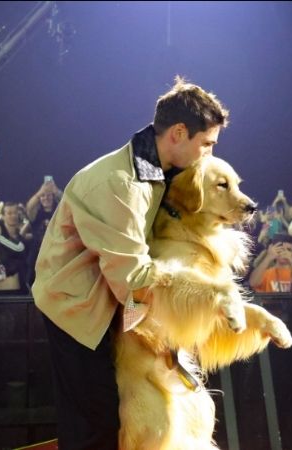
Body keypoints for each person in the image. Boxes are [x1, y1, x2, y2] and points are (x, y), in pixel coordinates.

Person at [32, 77, 229, 449]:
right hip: (76, 308)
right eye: (206, 144)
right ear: (179, 133)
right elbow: (133, 278)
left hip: (109, 301)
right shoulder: (119, 183)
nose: (209, 154)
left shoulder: (158, 171)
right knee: (96, 420)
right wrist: (202, 297)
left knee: (109, 416)